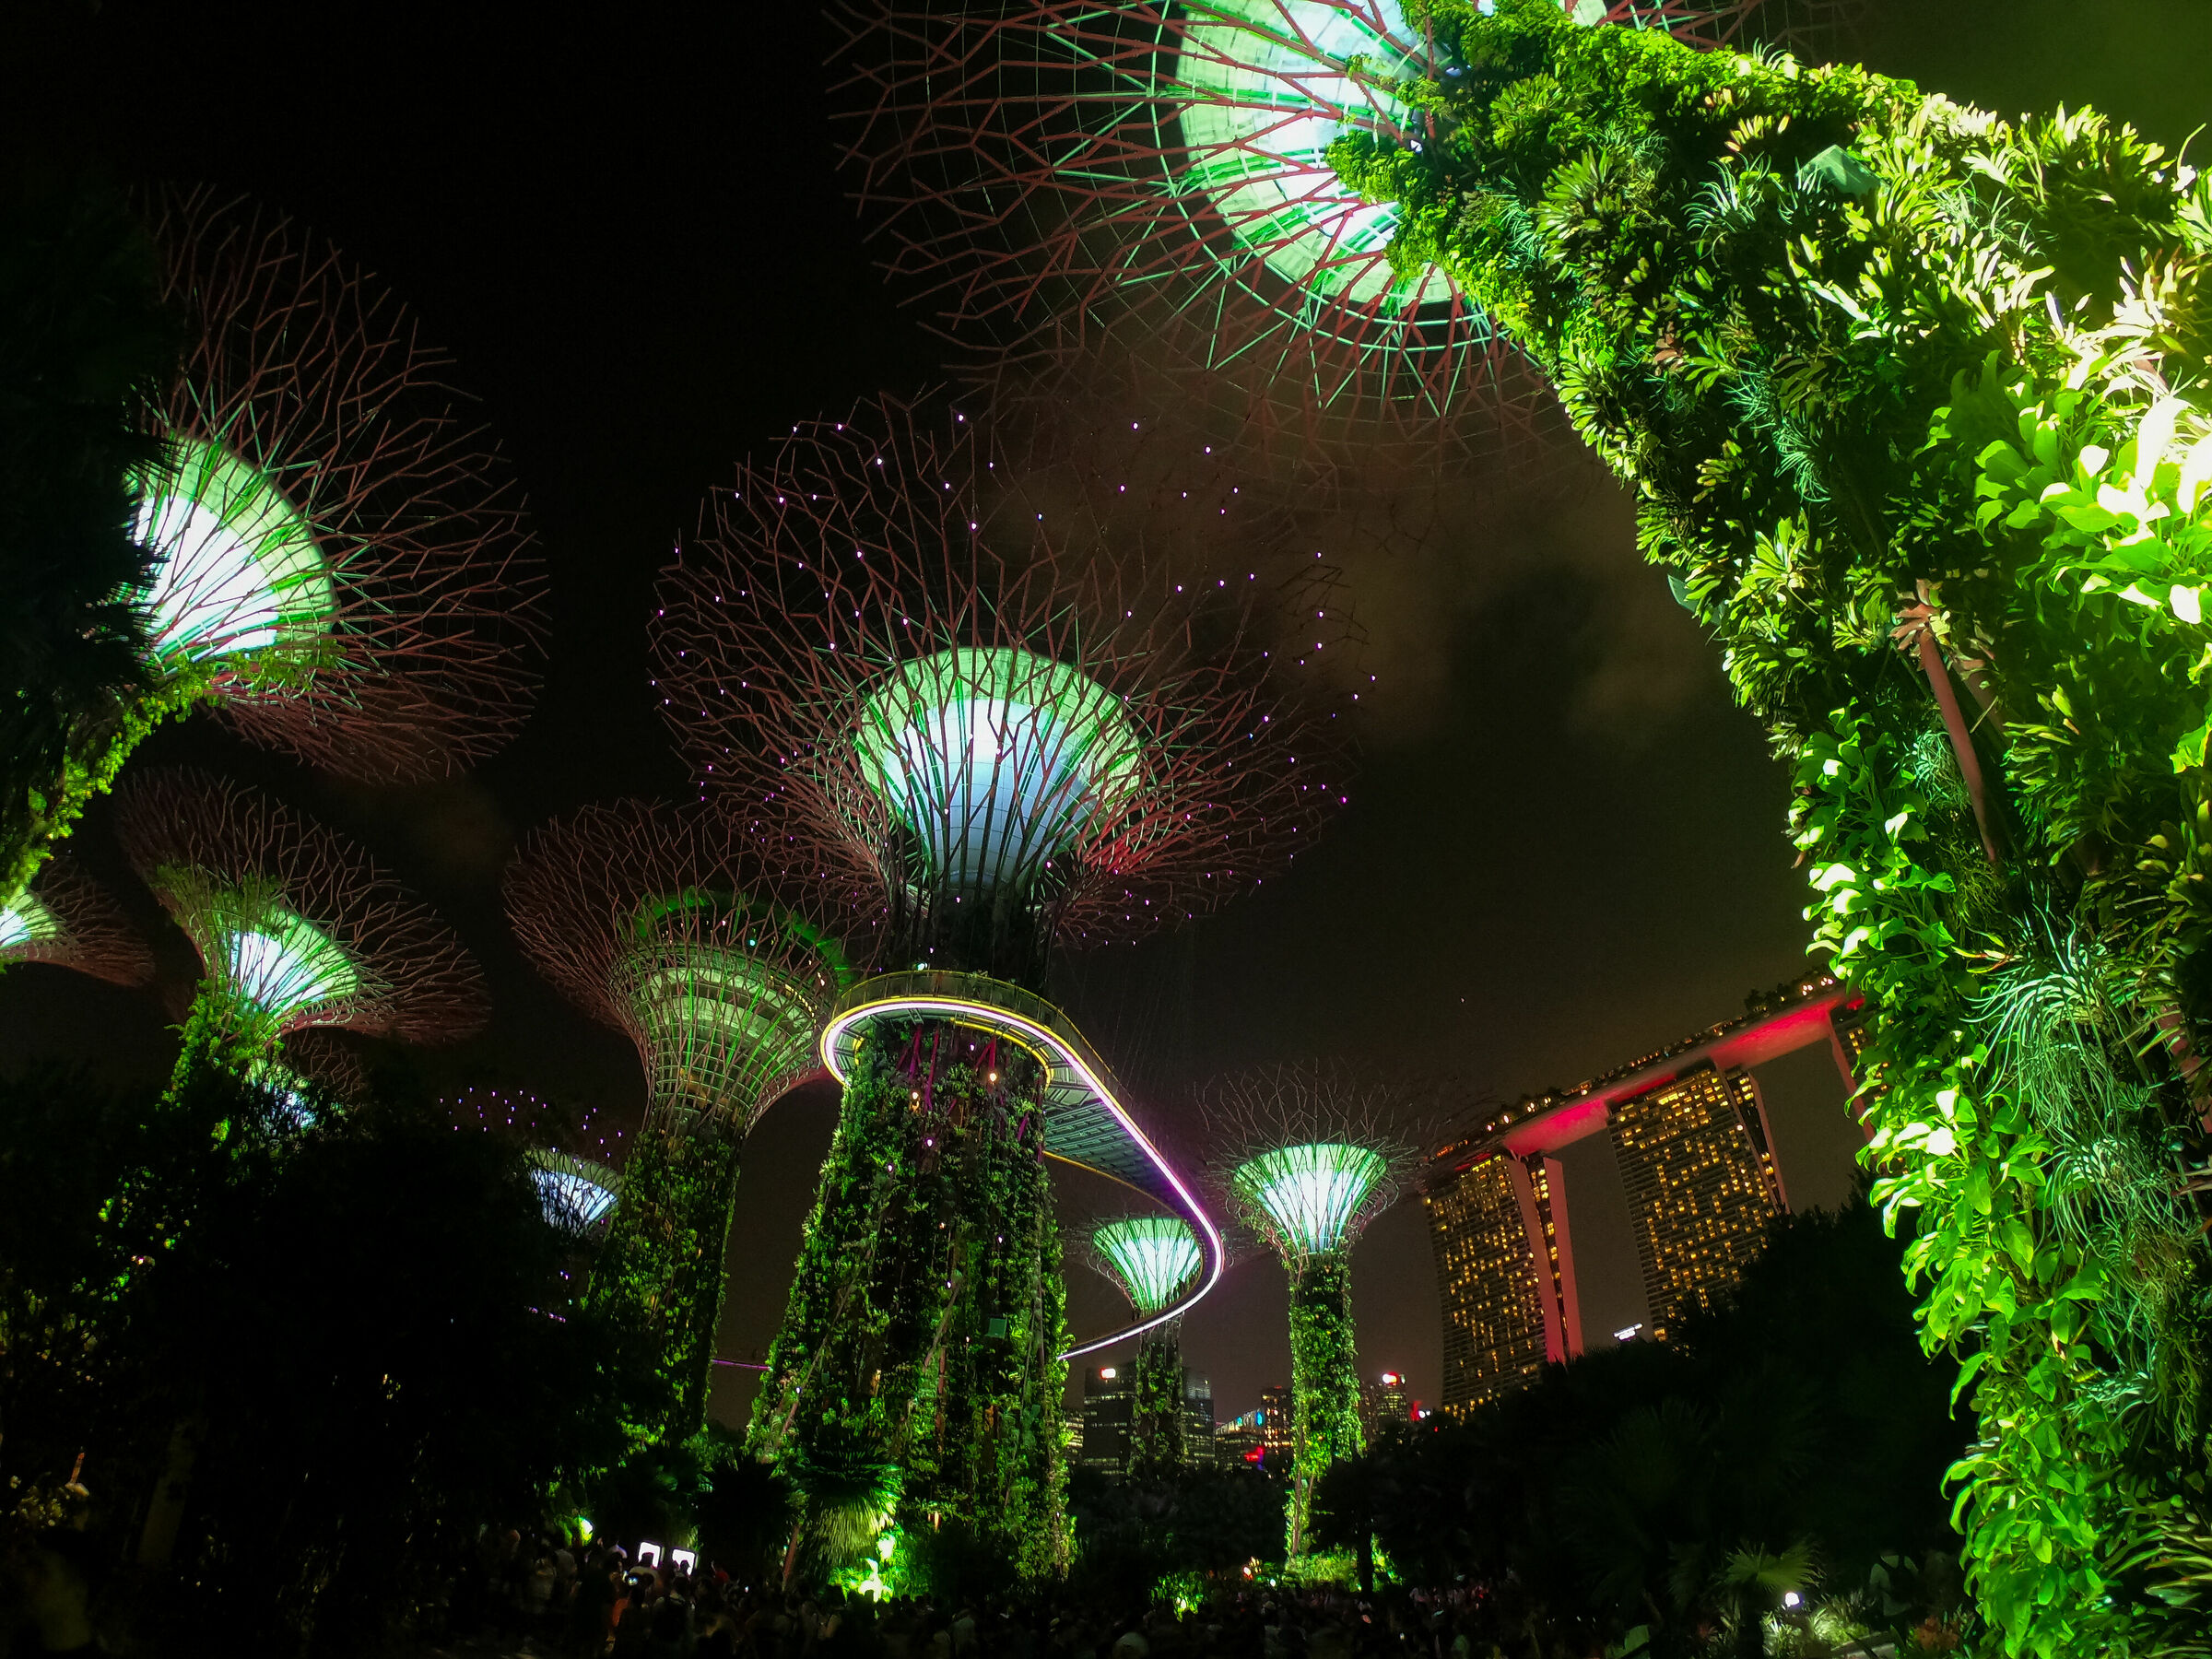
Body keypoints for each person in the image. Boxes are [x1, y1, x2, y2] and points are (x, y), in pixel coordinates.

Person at [2, 1529, 100, 1655]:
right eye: (28, 1567)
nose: (26, 1578)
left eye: (40, 1571)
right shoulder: (17, 1645)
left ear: (79, 1587)